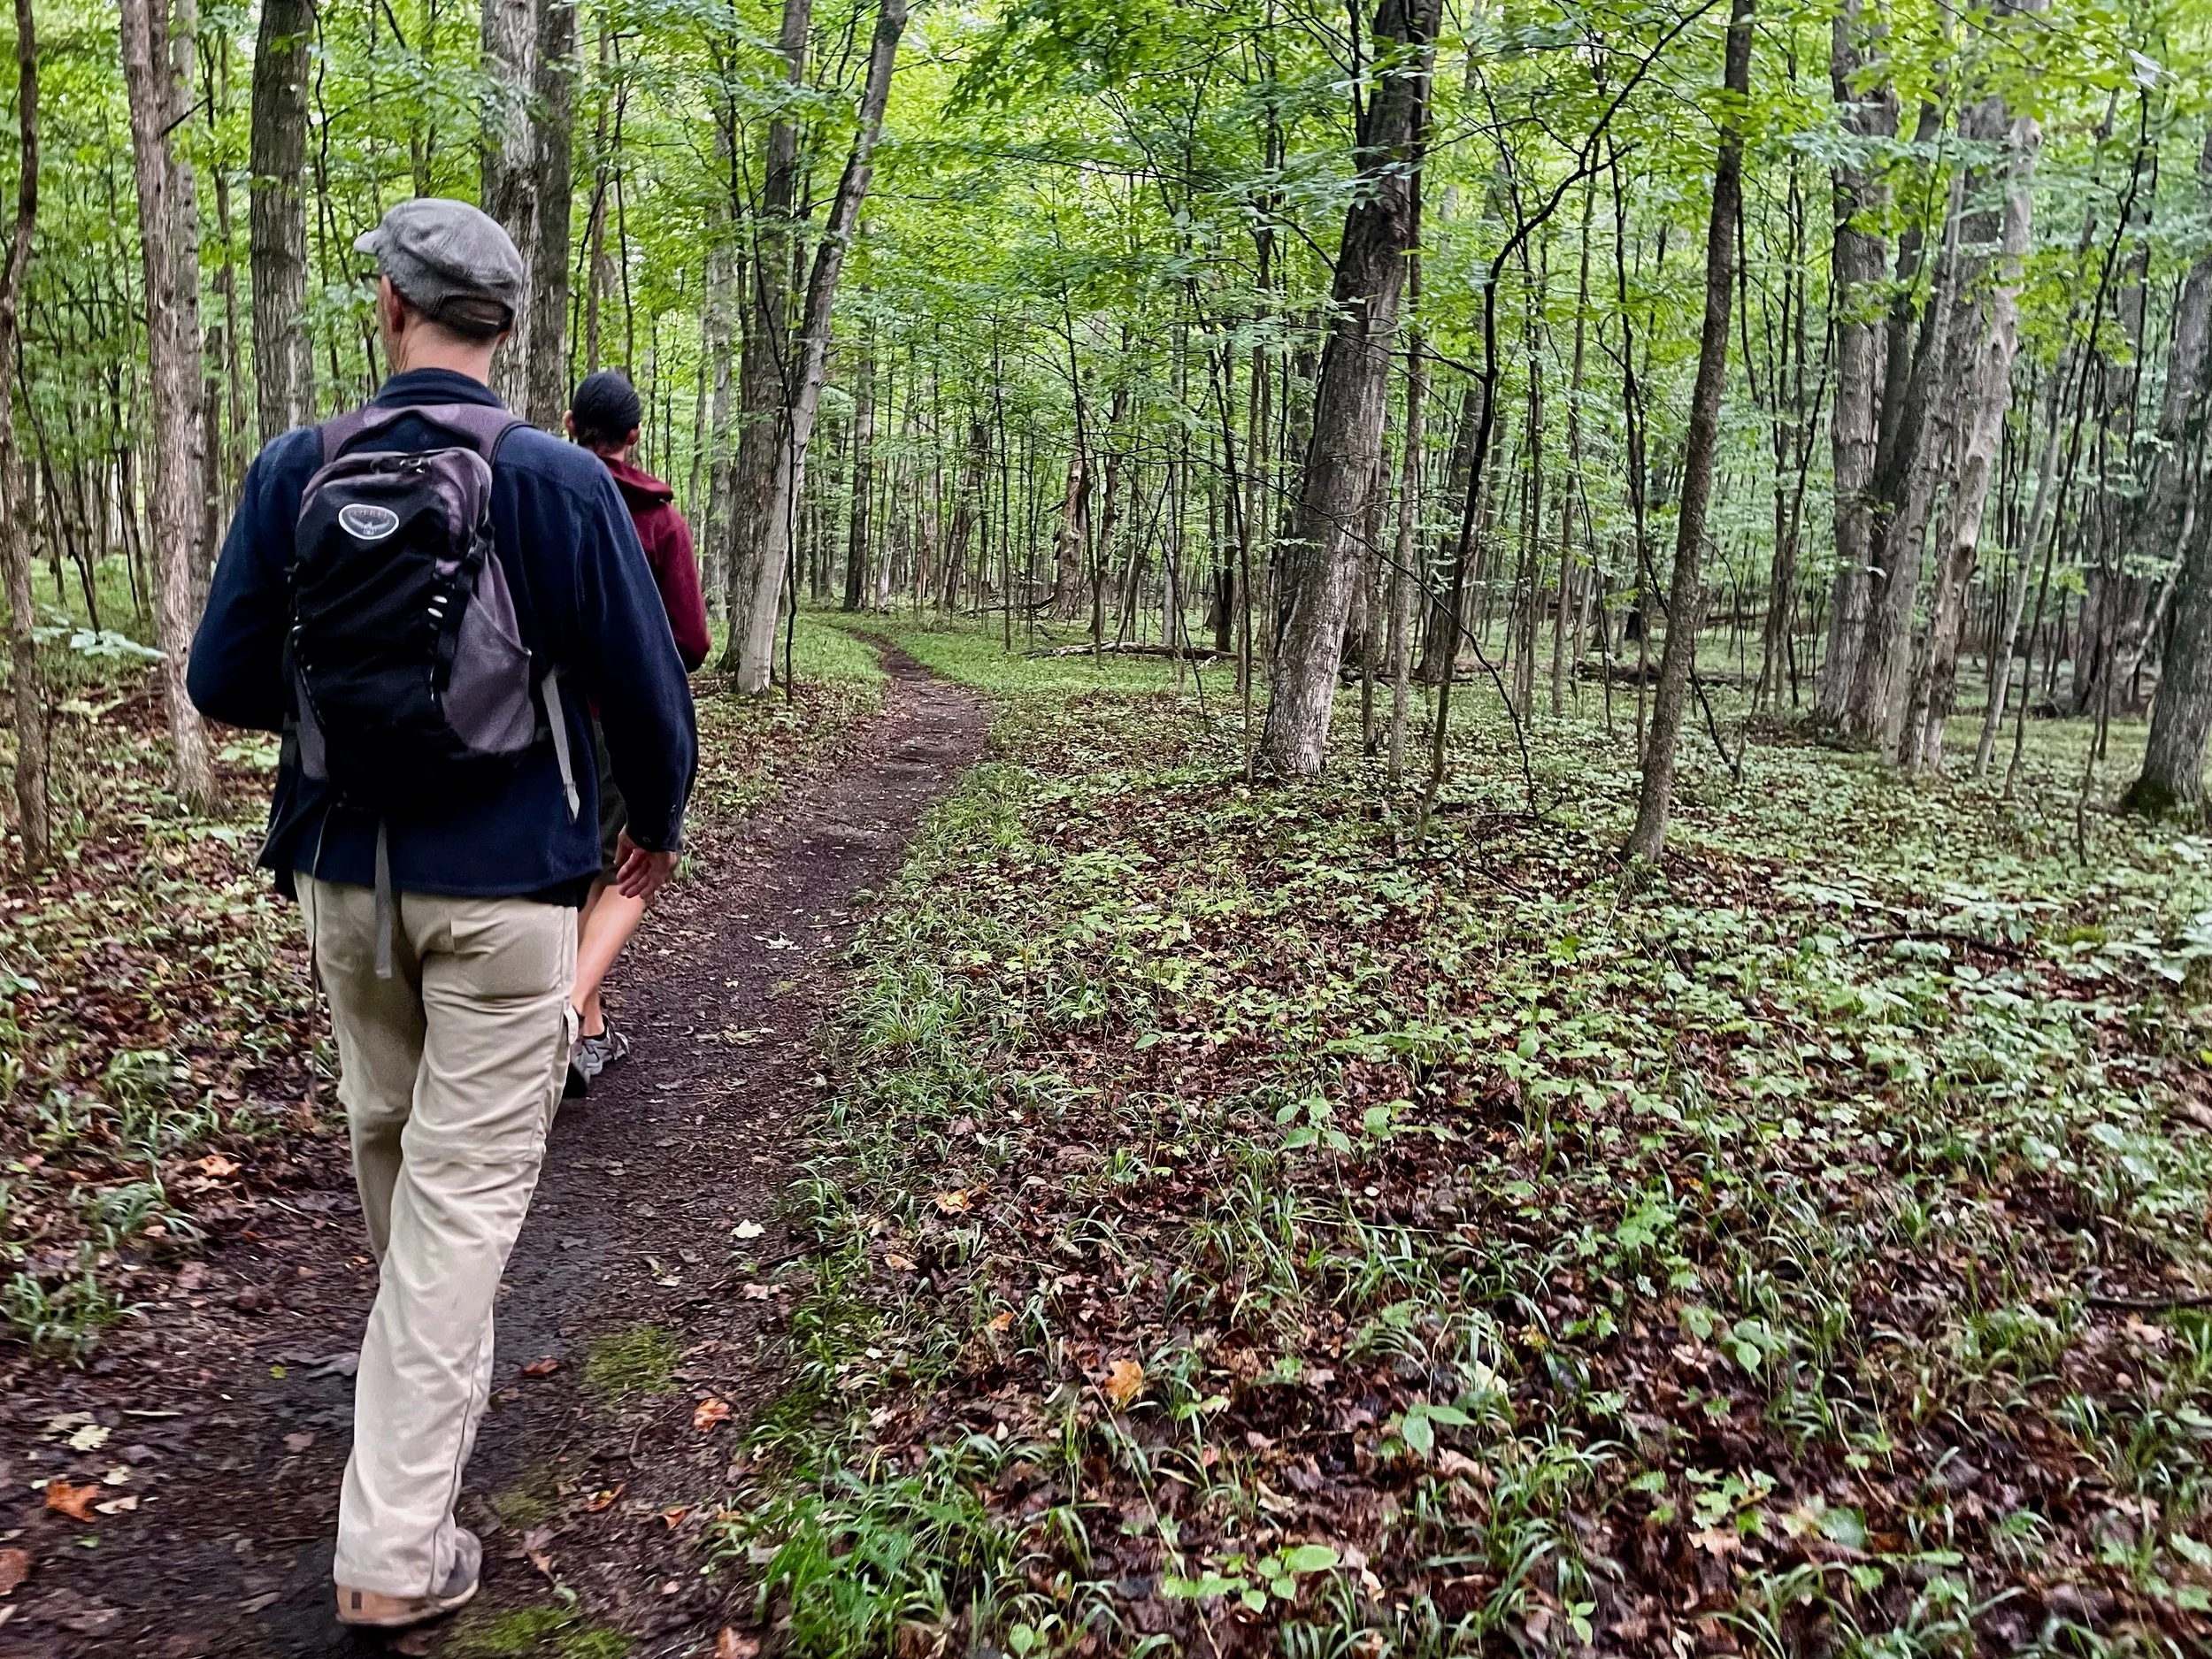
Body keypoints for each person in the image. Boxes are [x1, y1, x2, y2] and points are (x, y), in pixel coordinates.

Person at [186, 198, 696, 1632]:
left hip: (345, 882)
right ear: (507, 327)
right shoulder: (553, 483)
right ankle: (397, 1546)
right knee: (459, 1211)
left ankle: (408, 1425)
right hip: (508, 891)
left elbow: (223, 687)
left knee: (398, 1159)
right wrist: (652, 826)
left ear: (389, 307)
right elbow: (651, 694)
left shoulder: (298, 467)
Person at [562, 369, 710, 1094]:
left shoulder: (541, 500)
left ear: (568, 424)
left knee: (573, 870)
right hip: (624, 723)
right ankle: (564, 1024)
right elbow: (691, 640)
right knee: (632, 866)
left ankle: (586, 1029)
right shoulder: (658, 521)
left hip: (541, 721)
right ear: (637, 435)